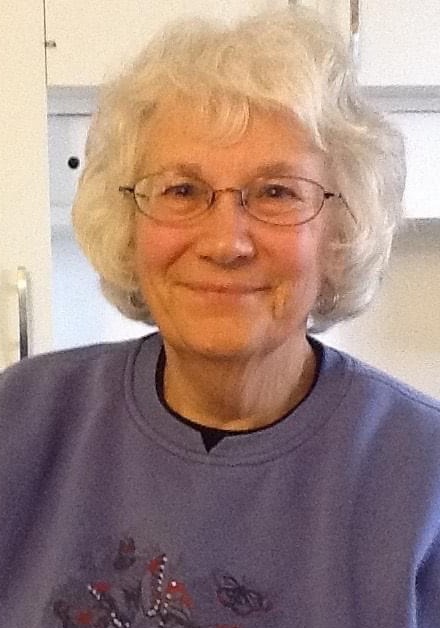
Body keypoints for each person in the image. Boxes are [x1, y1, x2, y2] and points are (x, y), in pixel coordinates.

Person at [1, 6, 439, 628]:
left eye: (276, 192)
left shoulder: (424, 476)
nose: (226, 242)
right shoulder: (21, 420)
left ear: (341, 232)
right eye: (181, 190)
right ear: (128, 222)